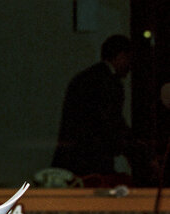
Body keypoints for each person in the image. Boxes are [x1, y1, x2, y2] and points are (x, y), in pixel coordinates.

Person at [51, 34, 133, 186]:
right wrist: (133, 150)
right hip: (94, 163)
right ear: (121, 56)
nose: (130, 66)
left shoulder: (84, 78)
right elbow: (111, 123)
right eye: (129, 59)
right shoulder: (110, 83)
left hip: (71, 160)